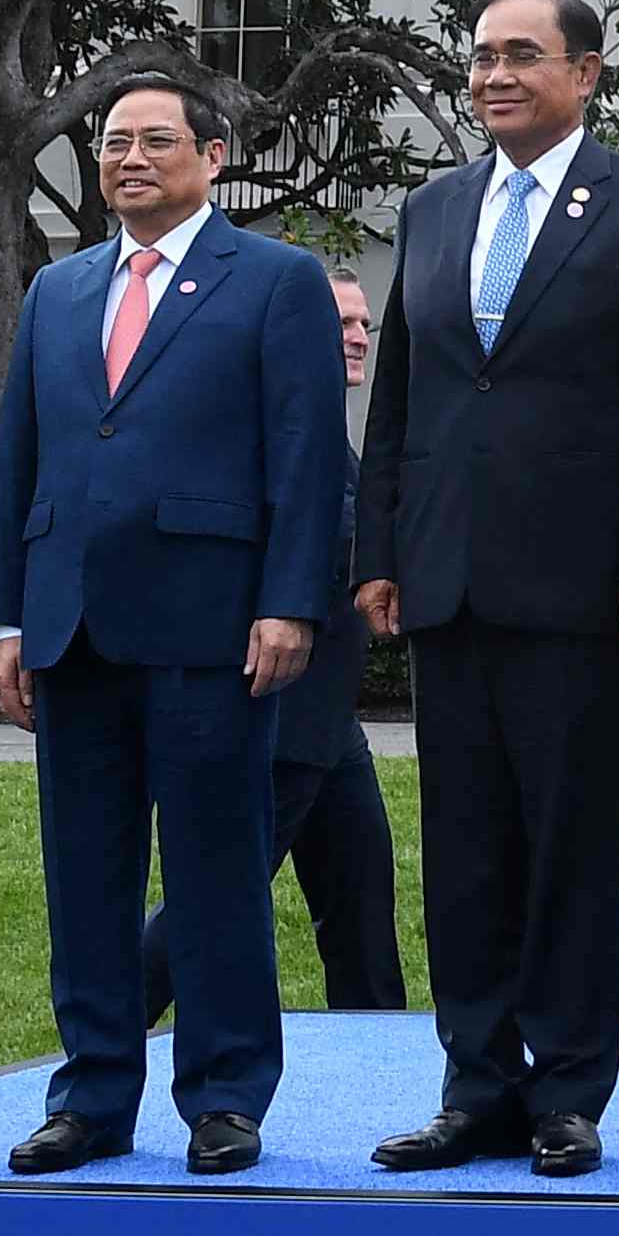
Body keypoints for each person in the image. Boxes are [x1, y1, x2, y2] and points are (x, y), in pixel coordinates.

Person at [355, 0, 619, 1181]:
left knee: (566, 849)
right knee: (463, 852)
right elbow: (399, 395)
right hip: (446, 578)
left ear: (587, 73)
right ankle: (475, 1086)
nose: (495, 73)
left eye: (522, 53)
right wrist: (381, 551)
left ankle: (565, 1090)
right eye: (481, 55)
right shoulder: (435, 204)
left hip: (578, 587)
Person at [0, 72, 351, 1174]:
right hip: (71, 628)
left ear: (214, 155)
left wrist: (289, 601)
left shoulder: (273, 280)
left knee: (214, 870)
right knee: (83, 873)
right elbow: (21, 462)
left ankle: (224, 1094)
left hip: (210, 624)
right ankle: (90, 1093)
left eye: (155, 138)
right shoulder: (60, 288)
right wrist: (4, 616)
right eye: (113, 141)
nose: (130, 156)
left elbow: (307, 456)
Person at [143, 268, 405, 1021]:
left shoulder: (332, 434)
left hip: (329, 722)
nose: (354, 338)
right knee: (215, 899)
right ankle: (109, 1029)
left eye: (362, 325)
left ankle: (376, 1054)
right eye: (339, 323)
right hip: (272, 712)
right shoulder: (274, 430)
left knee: (361, 915)